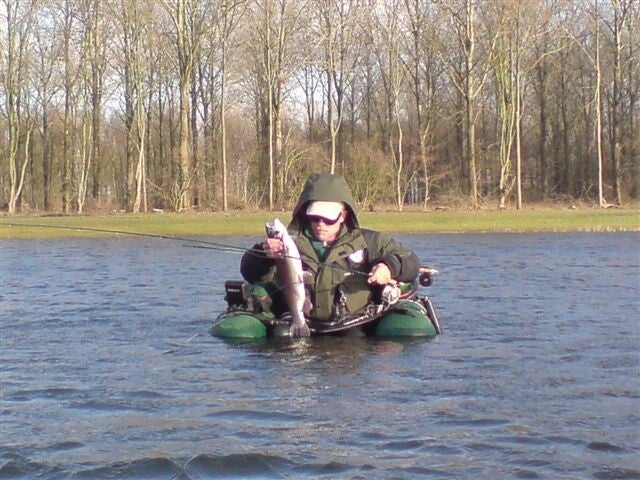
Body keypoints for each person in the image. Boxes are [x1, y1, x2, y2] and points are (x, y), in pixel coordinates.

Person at [240, 173, 420, 327]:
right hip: (295, 321)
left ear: (343, 215)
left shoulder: (370, 241)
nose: (321, 224)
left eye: (328, 219)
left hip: (354, 327)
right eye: (315, 217)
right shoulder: (286, 242)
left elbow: (411, 261)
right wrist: (263, 255)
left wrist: (388, 266)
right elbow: (250, 273)